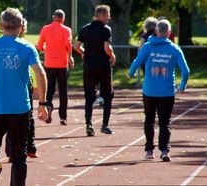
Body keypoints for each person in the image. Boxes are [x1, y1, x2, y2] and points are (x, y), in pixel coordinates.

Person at [0, 8, 47, 186]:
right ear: (20, 27)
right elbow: (40, 74)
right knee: (19, 156)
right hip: (20, 109)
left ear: (0, 26)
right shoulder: (27, 48)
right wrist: (43, 103)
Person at [128, 19, 189, 162]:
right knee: (164, 122)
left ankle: (149, 150)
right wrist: (182, 85)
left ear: (156, 31)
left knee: (149, 120)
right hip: (167, 92)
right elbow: (185, 71)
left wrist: (131, 73)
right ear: (169, 33)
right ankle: (165, 150)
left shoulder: (148, 46)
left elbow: (137, 62)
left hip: (149, 91)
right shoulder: (174, 49)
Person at [74, 5, 116, 136]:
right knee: (108, 95)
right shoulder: (106, 29)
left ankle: (88, 124)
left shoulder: (85, 29)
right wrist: (113, 56)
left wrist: (83, 53)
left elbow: (76, 46)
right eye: (107, 15)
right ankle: (105, 125)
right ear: (102, 15)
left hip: (89, 66)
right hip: (103, 66)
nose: (108, 18)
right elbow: (107, 48)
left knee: (89, 96)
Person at [5, 18, 38, 160]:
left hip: (23, 84)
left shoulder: (25, 46)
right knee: (18, 117)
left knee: (25, 117)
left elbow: (35, 69)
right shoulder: (16, 46)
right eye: (22, 26)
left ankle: (28, 147)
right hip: (16, 85)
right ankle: (15, 149)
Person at [37, 9, 74, 125]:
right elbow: (69, 45)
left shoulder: (45, 28)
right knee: (63, 90)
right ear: (63, 19)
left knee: (50, 89)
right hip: (62, 64)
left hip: (49, 64)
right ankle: (63, 117)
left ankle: (48, 106)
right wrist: (70, 58)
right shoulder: (66, 30)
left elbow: (39, 45)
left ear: (53, 17)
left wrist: (46, 49)